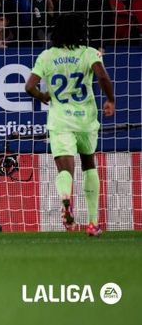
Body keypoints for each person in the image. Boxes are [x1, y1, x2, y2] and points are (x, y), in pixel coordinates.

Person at [24, 13, 115, 237]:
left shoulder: (47, 56)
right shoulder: (88, 53)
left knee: (65, 169)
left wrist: (42, 95)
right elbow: (102, 77)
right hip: (85, 119)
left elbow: (29, 87)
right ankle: (93, 223)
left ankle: (66, 197)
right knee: (88, 164)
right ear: (79, 32)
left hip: (60, 120)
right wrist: (111, 100)